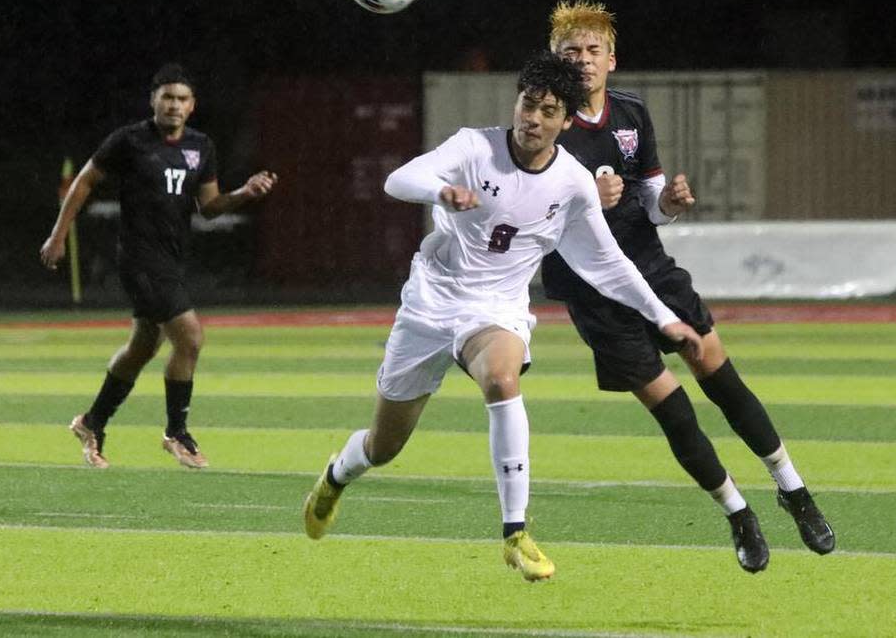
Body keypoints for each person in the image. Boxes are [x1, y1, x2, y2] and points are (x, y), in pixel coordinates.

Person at [302, 51, 705, 582]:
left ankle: (515, 533)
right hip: (431, 300)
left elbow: (607, 264)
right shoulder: (474, 147)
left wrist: (662, 318)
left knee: (502, 377)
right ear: (516, 103)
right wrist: (438, 190)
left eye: (547, 111)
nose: (532, 119)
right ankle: (336, 476)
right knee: (384, 446)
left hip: (495, 309)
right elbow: (398, 180)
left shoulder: (572, 183)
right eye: (527, 105)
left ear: (566, 121)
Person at [542, 0, 835, 573]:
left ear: (611, 60)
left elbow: (650, 199)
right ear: (555, 61)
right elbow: (531, 222)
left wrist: (668, 204)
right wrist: (578, 209)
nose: (582, 61)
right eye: (570, 52)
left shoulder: (631, 115)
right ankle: (737, 512)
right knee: (674, 412)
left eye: (592, 50)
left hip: (651, 267)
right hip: (592, 291)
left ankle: (794, 489)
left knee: (720, 375)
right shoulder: (544, 126)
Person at [40, 63, 278, 470]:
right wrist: (59, 234)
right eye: (166, 97)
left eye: (181, 99)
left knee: (143, 347)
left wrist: (244, 193)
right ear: (153, 101)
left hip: (171, 257)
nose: (173, 105)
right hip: (138, 257)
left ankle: (91, 422)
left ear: (192, 105)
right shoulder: (129, 141)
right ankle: (177, 433)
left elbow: (209, 206)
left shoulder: (201, 147)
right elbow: (83, 181)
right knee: (190, 338)